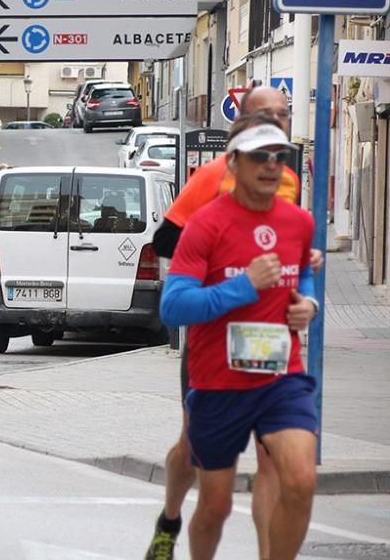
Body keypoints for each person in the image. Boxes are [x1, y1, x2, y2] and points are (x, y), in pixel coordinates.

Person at [145, 87, 323, 560]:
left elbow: (297, 268)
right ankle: (169, 521)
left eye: (283, 118)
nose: (271, 156)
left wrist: (308, 300)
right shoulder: (209, 191)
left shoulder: (292, 200)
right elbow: (168, 256)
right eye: (266, 117)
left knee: (291, 474)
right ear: (236, 146)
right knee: (210, 489)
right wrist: (238, 280)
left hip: (279, 369)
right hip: (217, 369)